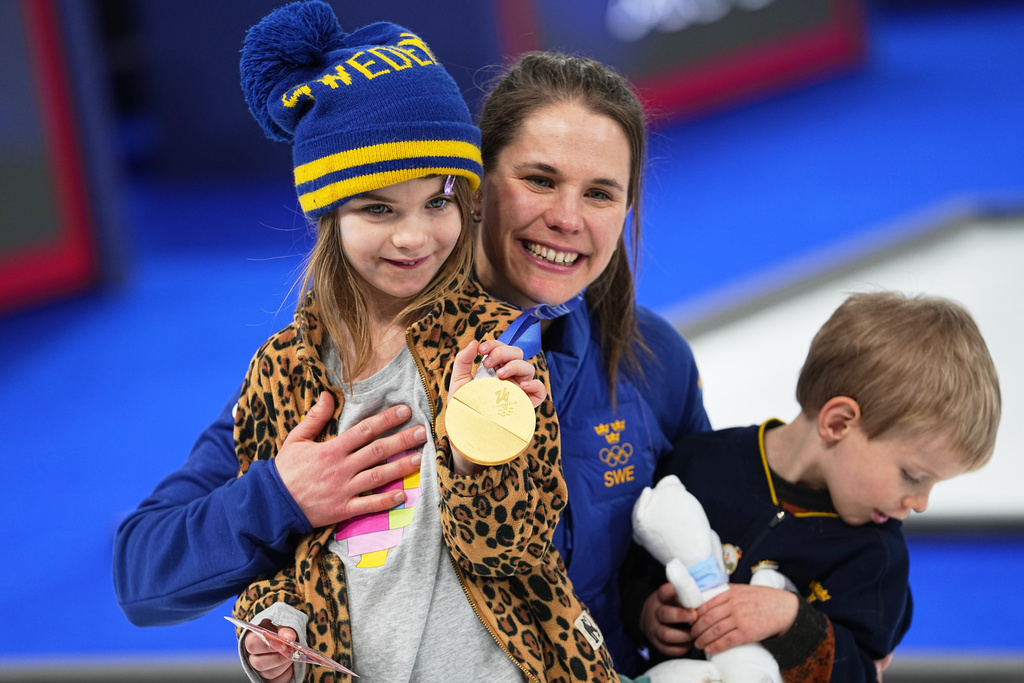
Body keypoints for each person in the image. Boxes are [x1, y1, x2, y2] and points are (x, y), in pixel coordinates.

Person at [113, 34, 709, 678]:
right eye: (540, 180)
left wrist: (664, 604)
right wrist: (282, 496)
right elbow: (143, 576)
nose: (568, 218)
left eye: (600, 193)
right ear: (474, 189)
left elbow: (703, 539)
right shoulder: (338, 370)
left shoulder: (653, 361)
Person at [221, 3, 617, 682]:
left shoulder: (491, 343)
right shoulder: (279, 374)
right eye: (378, 207)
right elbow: (274, 564)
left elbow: (518, 553)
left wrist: (476, 460)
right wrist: (271, 627)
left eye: (437, 202)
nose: (414, 236)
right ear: (327, 215)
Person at [622, 291, 1002, 682]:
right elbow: (629, 568)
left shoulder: (876, 558)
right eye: (912, 475)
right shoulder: (701, 463)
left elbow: (862, 671)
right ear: (838, 423)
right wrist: (646, 613)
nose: (920, 503)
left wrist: (791, 620)